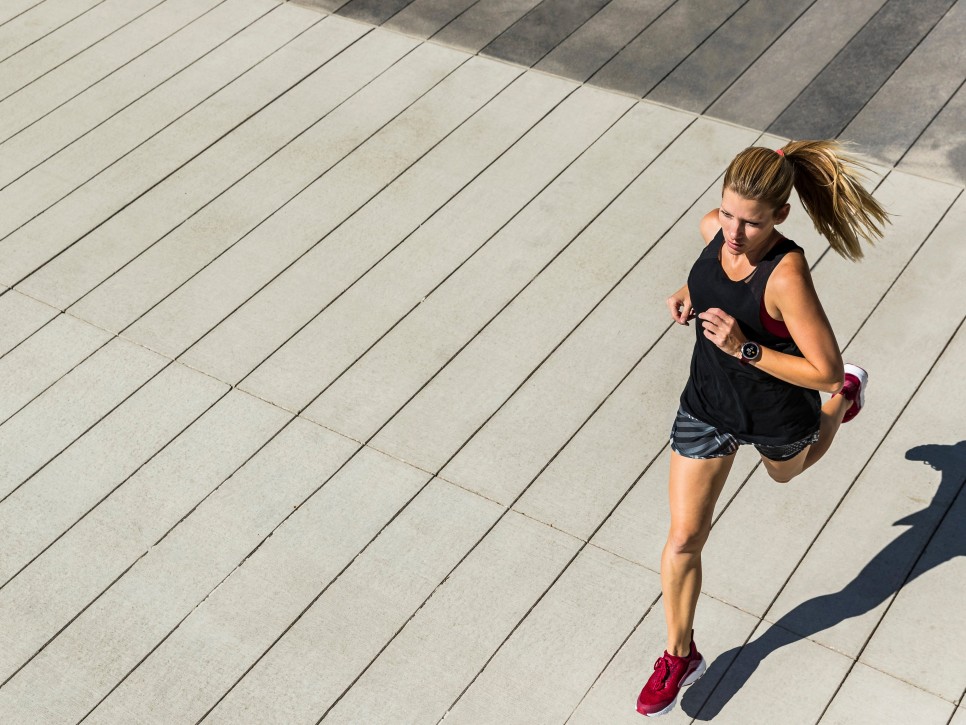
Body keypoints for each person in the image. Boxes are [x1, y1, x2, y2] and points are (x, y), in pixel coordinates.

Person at [636, 141, 889, 718]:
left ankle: (848, 402)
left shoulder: (786, 274)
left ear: (780, 216)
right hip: (707, 404)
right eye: (727, 213)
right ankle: (680, 653)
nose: (733, 231)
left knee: (787, 474)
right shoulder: (714, 231)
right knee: (682, 539)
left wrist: (744, 347)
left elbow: (821, 368)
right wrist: (686, 292)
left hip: (777, 410)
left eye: (750, 221)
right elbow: (708, 271)